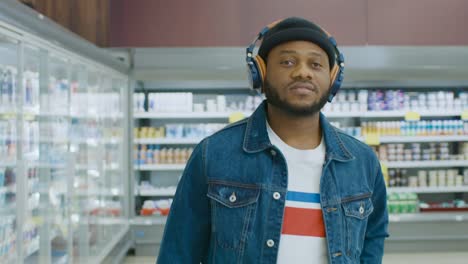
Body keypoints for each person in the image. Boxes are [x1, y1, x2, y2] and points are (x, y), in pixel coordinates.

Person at [157, 17, 389, 264]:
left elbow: (372, 237)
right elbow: (178, 252)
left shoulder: (362, 162)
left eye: (316, 64)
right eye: (287, 61)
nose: (303, 72)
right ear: (261, 73)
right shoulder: (213, 154)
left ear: (333, 79)